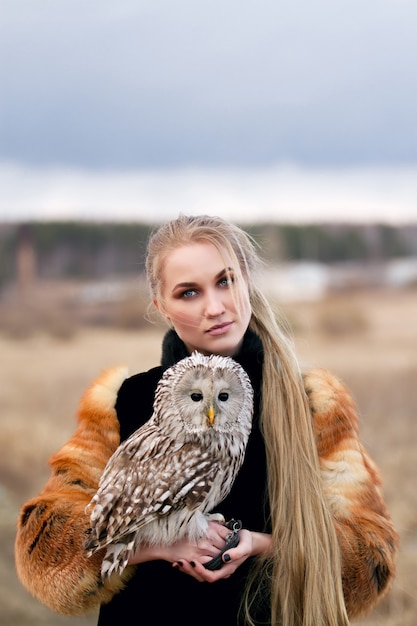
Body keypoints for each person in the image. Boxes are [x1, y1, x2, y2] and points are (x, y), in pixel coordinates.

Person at [15, 214, 398, 626]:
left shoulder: (311, 405)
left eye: (225, 281)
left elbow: (370, 556)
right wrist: (158, 545)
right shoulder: (121, 404)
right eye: (188, 293)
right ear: (162, 306)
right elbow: (45, 553)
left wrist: (261, 544)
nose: (214, 307)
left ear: (248, 281)